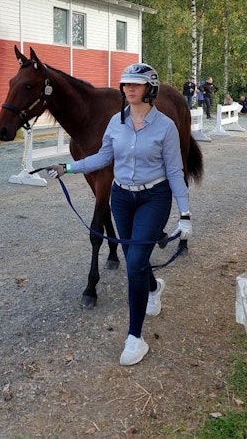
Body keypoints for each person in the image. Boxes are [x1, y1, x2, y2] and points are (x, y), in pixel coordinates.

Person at [44, 63, 192, 366]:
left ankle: (135, 338)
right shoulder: (116, 122)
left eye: (135, 85)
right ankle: (153, 287)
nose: (128, 89)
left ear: (150, 89)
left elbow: (176, 171)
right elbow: (102, 157)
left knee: (135, 262)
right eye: (125, 84)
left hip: (154, 197)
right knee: (133, 258)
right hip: (122, 198)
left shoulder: (165, 127)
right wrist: (67, 167)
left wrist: (185, 214)